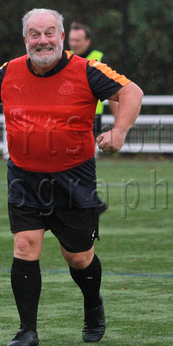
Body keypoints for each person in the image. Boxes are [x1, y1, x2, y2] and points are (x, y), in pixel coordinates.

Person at [0, 8, 143, 346]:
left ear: (62, 36)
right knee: (24, 246)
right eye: (35, 34)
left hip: (74, 179)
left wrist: (120, 131)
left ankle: (93, 307)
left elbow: (132, 92)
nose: (43, 41)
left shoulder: (86, 69)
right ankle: (27, 330)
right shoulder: (8, 71)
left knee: (79, 257)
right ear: (25, 39)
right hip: (23, 177)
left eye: (50, 33)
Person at [68, 21, 119, 214]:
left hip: (91, 119)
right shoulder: (65, 59)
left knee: (80, 161)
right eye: (71, 40)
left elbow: (115, 91)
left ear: (87, 41)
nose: (74, 44)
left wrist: (117, 124)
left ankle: (91, 202)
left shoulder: (98, 59)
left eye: (78, 40)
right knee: (72, 161)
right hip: (68, 119)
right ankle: (91, 202)